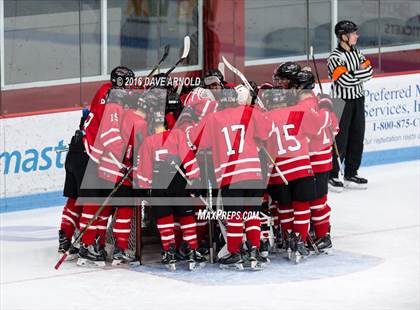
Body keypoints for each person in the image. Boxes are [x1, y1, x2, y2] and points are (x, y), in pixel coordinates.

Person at [328, 20, 373, 191]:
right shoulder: (335, 57)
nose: (357, 36)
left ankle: (351, 173)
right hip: (341, 101)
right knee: (340, 139)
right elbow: (344, 81)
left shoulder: (357, 53)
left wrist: (352, 73)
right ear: (344, 36)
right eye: (354, 33)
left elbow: (369, 72)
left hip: (358, 99)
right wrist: (357, 73)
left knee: (357, 135)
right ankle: (332, 175)